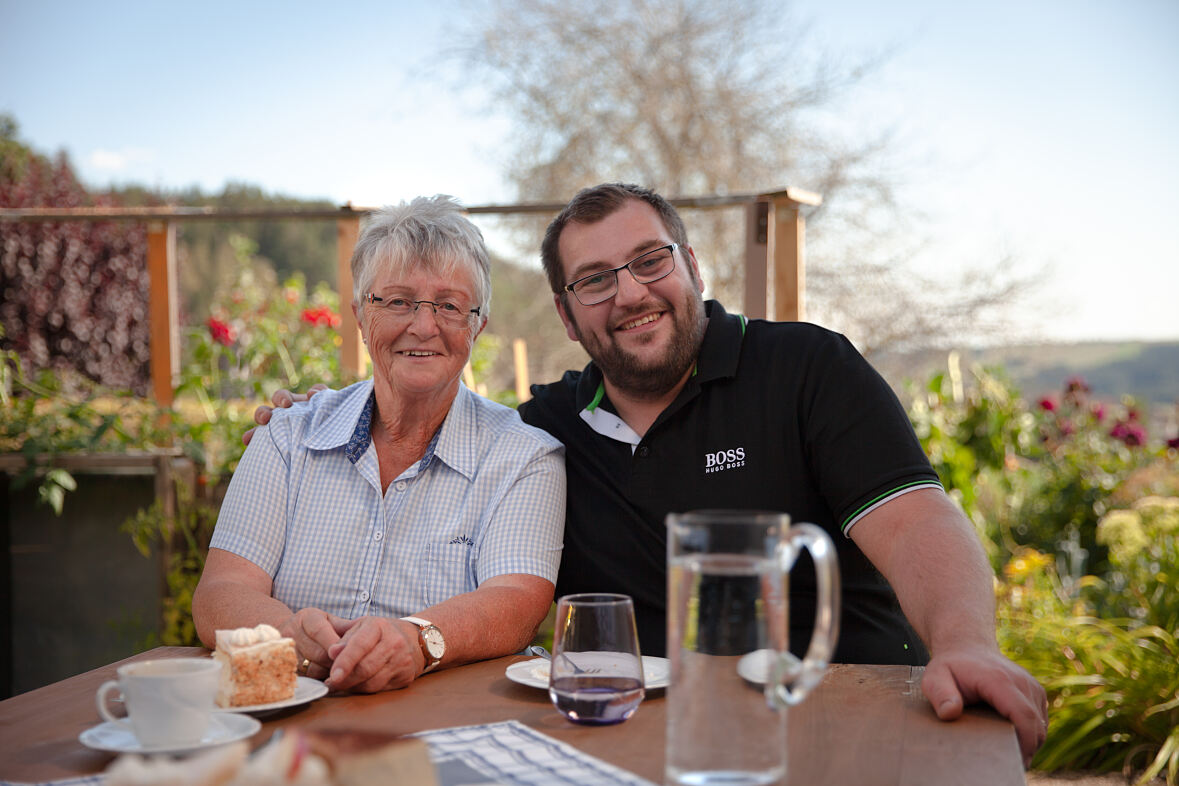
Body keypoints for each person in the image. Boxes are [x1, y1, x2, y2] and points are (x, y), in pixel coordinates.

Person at [252, 183, 1047, 764]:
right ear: (566, 315)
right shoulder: (542, 434)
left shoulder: (805, 368)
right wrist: (333, 407)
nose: (628, 292)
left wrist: (966, 643)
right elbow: (437, 420)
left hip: (849, 720)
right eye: (594, 279)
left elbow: (915, 522)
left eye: (647, 260)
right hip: (643, 746)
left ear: (691, 266)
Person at [194, 195, 566, 695]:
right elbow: (222, 592)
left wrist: (418, 641)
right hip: (293, 715)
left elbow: (516, 602)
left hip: (442, 732)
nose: (424, 325)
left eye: (450, 306)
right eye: (397, 301)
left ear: (477, 324)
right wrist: (289, 637)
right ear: (359, 315)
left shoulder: (524, 457)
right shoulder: (287, 435)